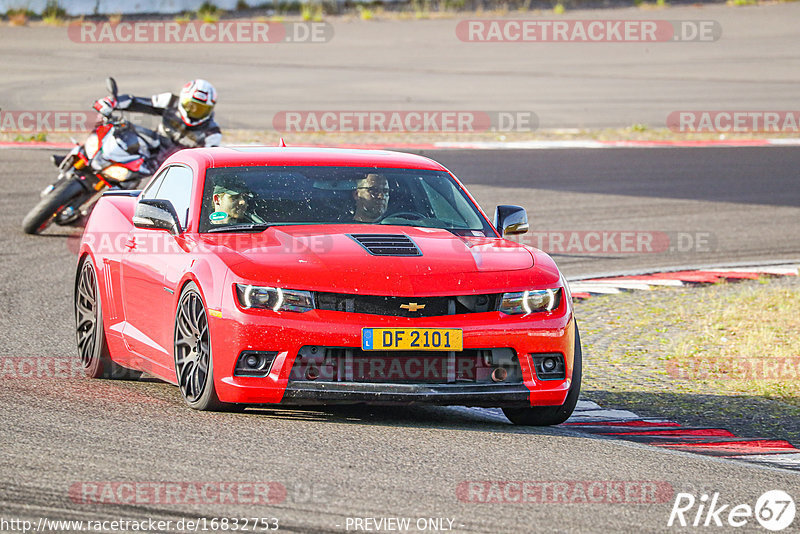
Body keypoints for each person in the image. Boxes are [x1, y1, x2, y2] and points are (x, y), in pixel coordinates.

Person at [95, 79, 222, 157]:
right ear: (182, 99)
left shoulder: (212, 133)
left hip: (173, 167)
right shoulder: (170, 101)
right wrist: (112, 102)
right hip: (149, 149)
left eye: (200, 109)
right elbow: (137, 102)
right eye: (190, 106)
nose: (193, 112)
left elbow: (208, 162)